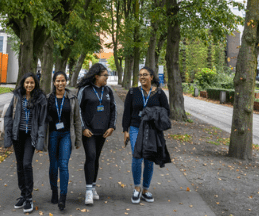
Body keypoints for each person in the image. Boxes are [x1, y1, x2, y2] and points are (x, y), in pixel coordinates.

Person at [122, 66, 170, 204]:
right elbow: (126, 113)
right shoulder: (132, 92)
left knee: (148, 158)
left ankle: (145, 190)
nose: (142, 77)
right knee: (137, 157)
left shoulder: (160, 94)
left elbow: (166, 111)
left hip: (152, 130)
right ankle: (137, 188)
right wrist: (125, 130)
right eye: (140, 75)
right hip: (136, 128)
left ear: (151, 77)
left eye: (145, 75)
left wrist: (152, 114)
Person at [3, 72, 47, 214]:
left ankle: (28, 198)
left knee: (27, 164)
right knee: (20, 165)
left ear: (36, 84)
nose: (29, 85)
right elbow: (8, 117)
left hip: (31, 136)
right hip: (18, 135)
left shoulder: (40, 99)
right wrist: (8, 137)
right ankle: (22, 194)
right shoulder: (17, 97)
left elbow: (42, 122)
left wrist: (40, 141)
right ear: (23, 83)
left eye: (32, 83)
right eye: (27, 83)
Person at [76, 63, 117, 206]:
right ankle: (88, 191)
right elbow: (78, 110)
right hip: (88, 131)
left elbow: (113, 109)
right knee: (91, 156)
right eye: (105, 75)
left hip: (102, 131)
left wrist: (112, 126)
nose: (107, 77)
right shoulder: (85, 90)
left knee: (96, 158)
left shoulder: (108, 90)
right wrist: (83, 127)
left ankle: (92, 187)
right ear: (96, 76)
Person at [46, 71, 82, 211]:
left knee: (64, 165)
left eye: (63, 80)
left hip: (67, 134)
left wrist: (78, 140)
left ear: (66, 82)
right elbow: (43, 120)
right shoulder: (48, 98)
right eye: (57, 81)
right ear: (54, 83)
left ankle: (63, 196)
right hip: (53, 135)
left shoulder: (72, 98)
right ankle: (54, 191)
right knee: (53, 165)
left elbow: (77, 120)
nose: (60, 83)